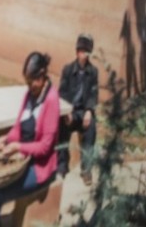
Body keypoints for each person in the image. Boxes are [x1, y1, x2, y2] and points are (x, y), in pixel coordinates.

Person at [0, 51, 59, 227]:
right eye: (27, 82)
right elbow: (19, 127)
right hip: (21, 160)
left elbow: (45, 147)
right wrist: (5, 139)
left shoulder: (52, 100)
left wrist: (18, 147)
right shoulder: (29, 94)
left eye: (33, 81)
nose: (30, 86)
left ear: (43, 75)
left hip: (39, 168)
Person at [57, 33, 98, 185]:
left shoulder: (93, 72)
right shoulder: (67, 70)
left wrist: (89, 111)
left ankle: (86, 169)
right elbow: (62, 92)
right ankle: (61, 167)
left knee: (91, 129)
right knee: (60, 127)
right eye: (80, 50)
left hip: (83, 112)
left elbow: (93, 94)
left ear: (89, 53)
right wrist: (67, 112)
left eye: (85, 51)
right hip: (70, 111)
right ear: (76, 51)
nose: (82, 54)